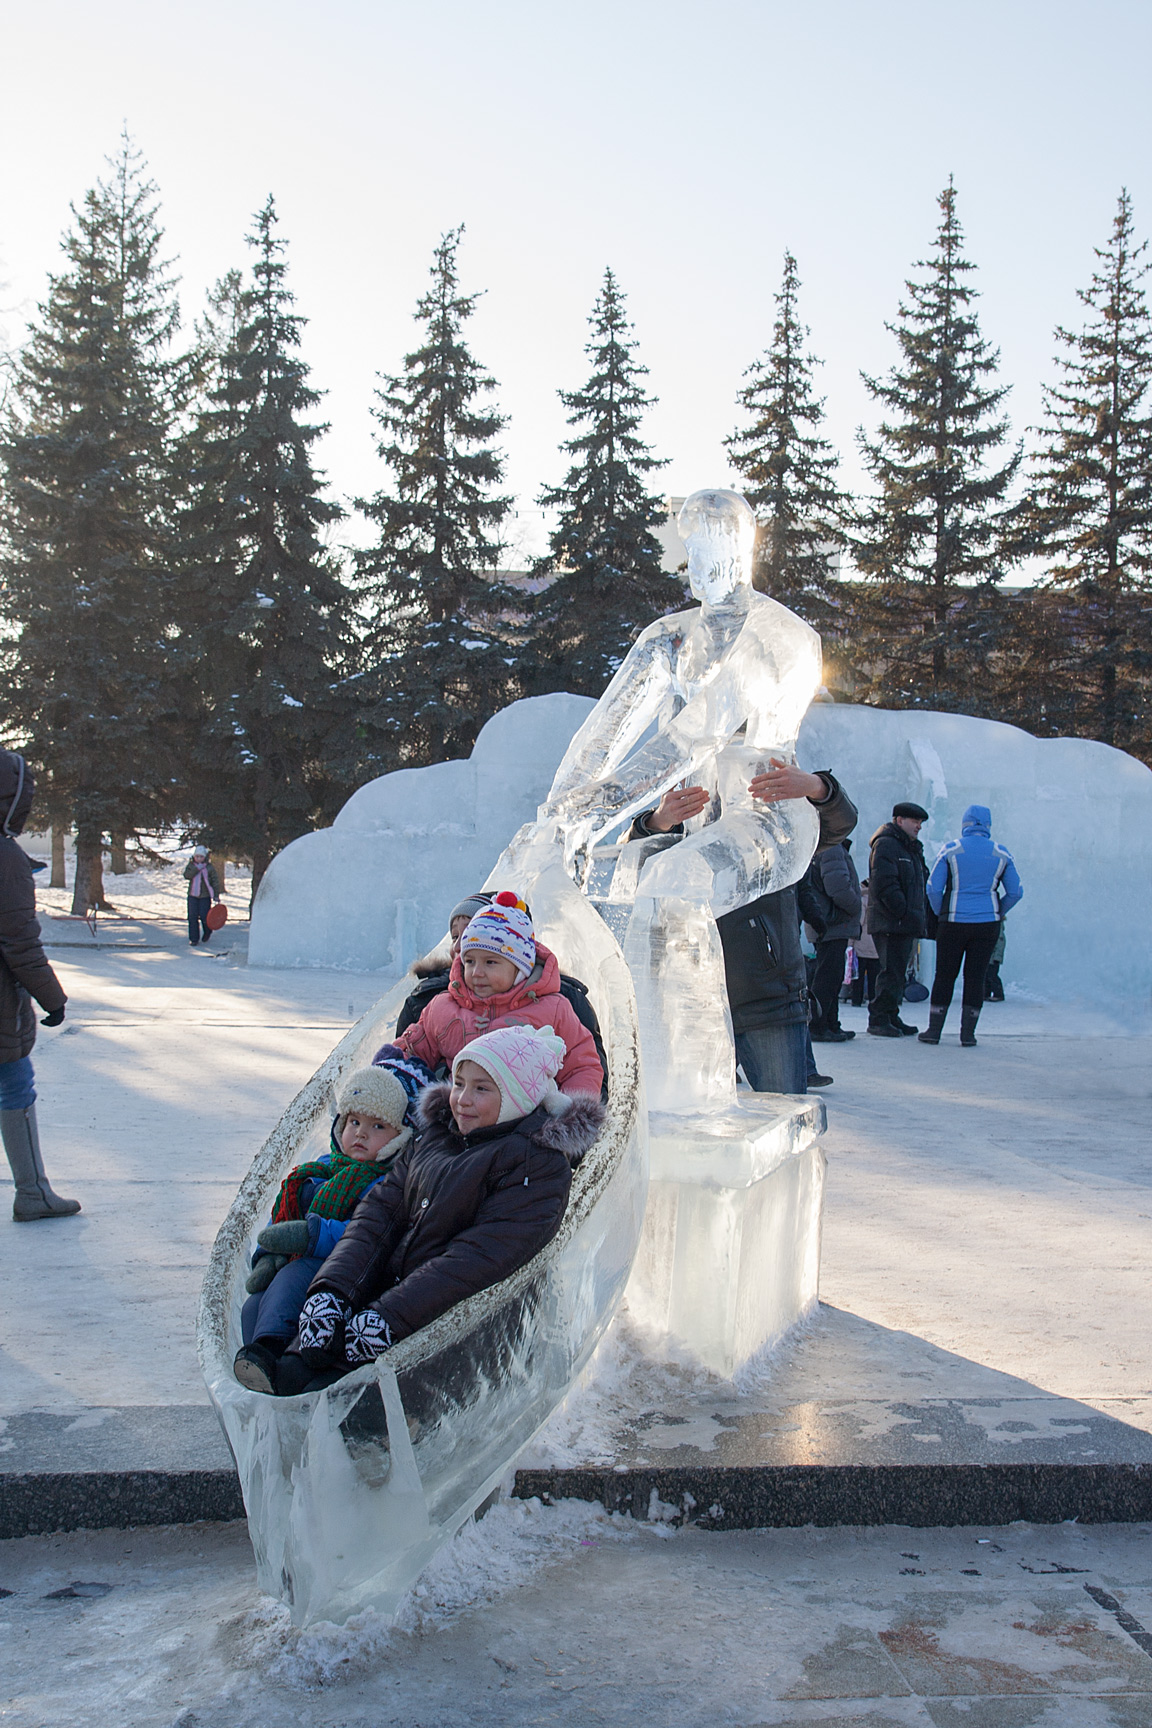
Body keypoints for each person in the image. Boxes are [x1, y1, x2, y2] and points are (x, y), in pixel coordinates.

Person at [265, 1024, 604, 1396]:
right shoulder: (437, 1136)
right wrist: (332, 1294)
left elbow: (475, 1260)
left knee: (333, 1402)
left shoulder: (535, 1166)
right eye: (459, 1083)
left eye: (482, 1089)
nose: (462, 1099)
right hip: (388, 1307)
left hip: (452, 1344)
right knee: (293, 1373)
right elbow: (376, 1218)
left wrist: (385, 1320)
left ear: (518, 1099)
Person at [635, 765, 858, 1093]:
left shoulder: (773, 816)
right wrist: (656, 822)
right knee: (694, 1122)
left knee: (781, 1119)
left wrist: (817, 787)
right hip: (690, 999)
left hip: (768, 998)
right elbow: (632, 867)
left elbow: (839, 825)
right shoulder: (685, 813)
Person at [233, 1063, 431, 1391]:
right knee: (254, 1304)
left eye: (377, 1125)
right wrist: (267, 1255)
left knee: (292, 1279)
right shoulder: (320, 1169)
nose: (361, 1133)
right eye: (354, 1121)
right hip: (296, 1261)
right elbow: (282, 1216)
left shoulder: (384, 1183)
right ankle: (258, 1370)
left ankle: (272, 1355)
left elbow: (365, 1235)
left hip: (340, 1273)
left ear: (399, 1136)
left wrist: (311, 1235)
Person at [382, 892, 604, 1098]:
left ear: (520, 968)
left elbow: (581, 1065)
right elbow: (412, 1051)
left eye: (490, 962)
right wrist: (387, 1077)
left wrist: (569, 1113)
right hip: (458, 1113)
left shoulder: (553, 1010)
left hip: (526, 1118)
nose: (477, 973)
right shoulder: (442, 1007)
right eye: (470, 962)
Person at [0, 751, 79, 1221]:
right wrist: (53, 998)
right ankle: (32, 1191)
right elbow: (19, 944)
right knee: (14, 1085)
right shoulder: (5, 857)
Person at [919, 804, 1023, 1047]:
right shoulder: (1002, 853)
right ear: (987, 825)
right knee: (975, 977)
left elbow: (933, 888)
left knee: (944, 975)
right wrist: (998, 911)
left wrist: (940, 912)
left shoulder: (951, 850)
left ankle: (934, 1031)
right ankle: (968, 1034)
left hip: (953, 922)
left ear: (965, 823)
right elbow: (1016, 891)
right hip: (987, 924)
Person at [865, 802, 929, 1038]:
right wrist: (904, 912)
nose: (918, 827)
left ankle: (891, 1014)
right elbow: (885, 884)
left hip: (904, 922)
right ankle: (879, 1018)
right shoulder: (887, 845)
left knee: (897, 972)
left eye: (920, 823)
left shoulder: (909, 848)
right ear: (899, 820)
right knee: (890, 971)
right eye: (915, 822)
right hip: (891, 922)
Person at [801, 837, 862, 1043]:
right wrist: (856, 908)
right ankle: (818, 1025)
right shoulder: (832, 847)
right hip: (833, 922)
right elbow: (838, 887)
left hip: (828, 922)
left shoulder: (826, 846)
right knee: (828, 977)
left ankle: (830, 1024)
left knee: (831, 975)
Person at [183, 845, 223, 947]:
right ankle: (194, 938)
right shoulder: (191, 866)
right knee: (192, 917)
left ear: (205, 857)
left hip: (205, 896)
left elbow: (215, 881)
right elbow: (186, 875)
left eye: (201, 857)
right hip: (193, 895)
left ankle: (207, 931)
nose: (199, 859)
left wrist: (216, 895)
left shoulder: (209, 868)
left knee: (205, 916)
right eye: (197, 857)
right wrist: (196, 869)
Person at [849, 881, 880, 1008]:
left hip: (862, 943)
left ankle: (856, 999)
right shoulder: (879, 900)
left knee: (858, 976)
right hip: (876, 943)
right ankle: (874, 1000)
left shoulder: (862, 900)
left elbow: (859, 922)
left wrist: (851, 942)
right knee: (874, 977)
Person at [984, 922, 1007, 1001]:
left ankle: (998, 994)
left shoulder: (998, 932)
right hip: (988, 957)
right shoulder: (991, 931)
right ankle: (986, 993)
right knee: (986, 975)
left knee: (992, 975)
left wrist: (997, 957)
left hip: (993, 958)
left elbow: (1000, 945)